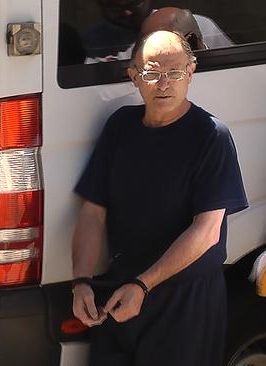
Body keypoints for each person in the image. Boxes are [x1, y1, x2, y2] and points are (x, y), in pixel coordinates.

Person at [71, 30, 248, 366]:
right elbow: (93, 213)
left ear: (191, 73)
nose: (164, 84)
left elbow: (207, 231)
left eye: (175, 73)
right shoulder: (120, 127)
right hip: (119, 293)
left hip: (185, 305)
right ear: (134, 76)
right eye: (152, 73)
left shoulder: (211, 136)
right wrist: (81, 281)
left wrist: (143, 285)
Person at [83, 0, 232, 63]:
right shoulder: (94, 39)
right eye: (115, 7)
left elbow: (231, 68)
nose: (127, 12)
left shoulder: (197, 24)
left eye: (135, 3)